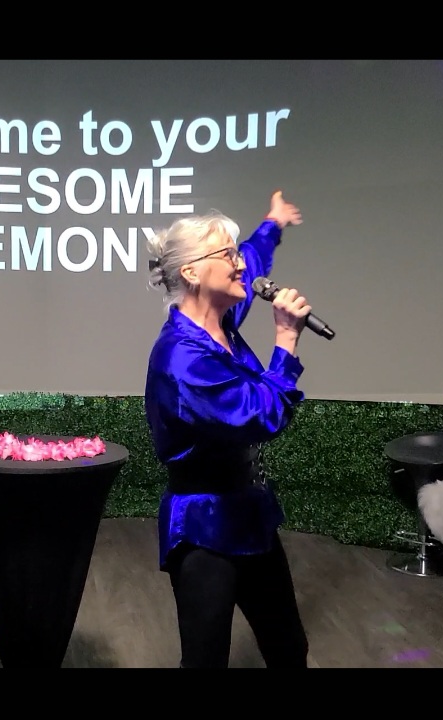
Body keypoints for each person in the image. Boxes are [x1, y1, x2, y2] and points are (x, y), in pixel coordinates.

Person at [144, 190, 312, 669]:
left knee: (288, 648)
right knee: (205, 661)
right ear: (192, 272)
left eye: (235, 253)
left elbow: (252, 261)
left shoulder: (221, 320)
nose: (239, 264)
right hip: (203, 527)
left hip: (250, 516)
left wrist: (272, 224)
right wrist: (286, 340)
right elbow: (263, 415)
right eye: (226, 255)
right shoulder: (182, 360)